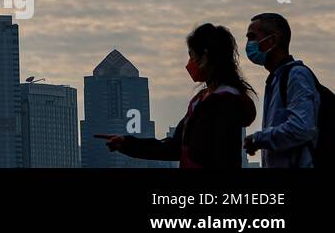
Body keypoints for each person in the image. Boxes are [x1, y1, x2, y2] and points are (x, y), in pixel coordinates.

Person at [98, 23, 255, 168]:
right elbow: (174, 148)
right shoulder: (200, 101)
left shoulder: (225, 102)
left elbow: (220, 157)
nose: (189, 63)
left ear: (205, 57)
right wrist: (127, 144)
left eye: (191, 55)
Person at [243, 12, 318, 167]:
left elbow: (302, 127)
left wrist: (259, 139)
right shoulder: (275, 80)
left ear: (273, 40)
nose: (249, 44)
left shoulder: (296, 75)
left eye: (252, 37)